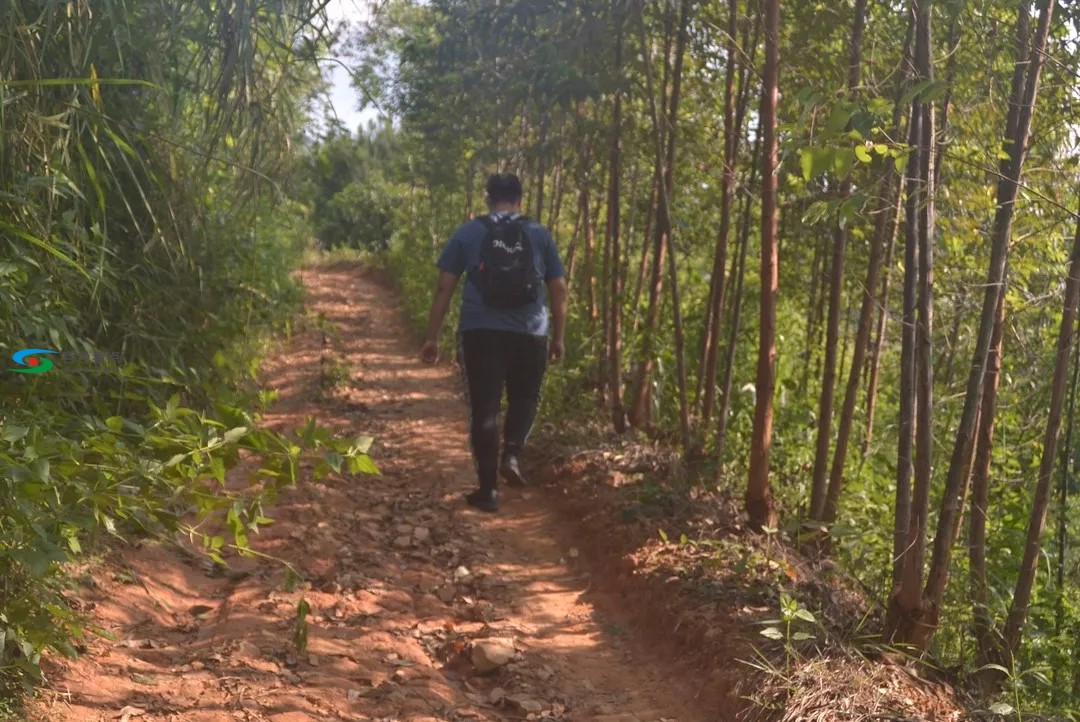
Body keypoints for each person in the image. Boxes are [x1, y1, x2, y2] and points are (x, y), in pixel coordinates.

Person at [420, 172, 568, 512]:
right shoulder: (539, 233)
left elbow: (445, 285)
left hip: (480, 330)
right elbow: (558, 288)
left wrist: (432, 336)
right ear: (520, 199)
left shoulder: (471, 231)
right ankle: (513, 453)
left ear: (488, 198)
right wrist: (558, 337)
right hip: (531, 331)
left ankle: (488, 491)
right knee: (525, 395)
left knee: (484, 407)